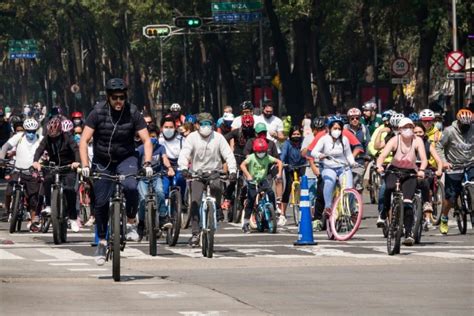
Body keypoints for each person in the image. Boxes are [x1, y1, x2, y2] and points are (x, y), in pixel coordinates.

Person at [78, 78, 153, 266]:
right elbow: (83, 141)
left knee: (130, 186)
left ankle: (130, 222)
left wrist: (148, 163)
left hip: (126, 158)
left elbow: (147, 140)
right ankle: (102, 241)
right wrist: (86, 166)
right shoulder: (97, 112)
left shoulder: (133, 112)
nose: (119, 101)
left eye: (122, 97)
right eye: (115, 98)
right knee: (101, 202)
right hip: (102, 161)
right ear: (108, 98)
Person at [178, 112, 237, 247]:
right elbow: (185, 153)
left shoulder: (219, 138)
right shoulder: (191, 138)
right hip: (197, 174)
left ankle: (215, 210)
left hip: (214, 173)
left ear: (213, 125)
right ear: (197, 125)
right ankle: (195, 233)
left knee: (217, 188)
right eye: (203, 124)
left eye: (208, 124)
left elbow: (228, 154)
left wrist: (233, 171)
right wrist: (184, 168)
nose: (206, 127)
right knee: (194, 201)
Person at [376, 118, 428, 246]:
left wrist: (421, 170)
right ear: (399, 129)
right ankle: (383, 214)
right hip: (394, 169)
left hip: (410, 171)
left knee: (407, 202)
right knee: (388, 187)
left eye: (411, 127)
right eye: (405, 127)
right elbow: (382, 156)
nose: (408, 130)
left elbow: (424, 159)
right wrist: (379, 166)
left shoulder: (417, 140)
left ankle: (409, 233)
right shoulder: (394, 140)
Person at [32, 117, 81, 232]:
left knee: (70, 190)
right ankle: (49, 206)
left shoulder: (68, 137)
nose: (53, 138)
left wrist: (76, 162)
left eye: (56, 136)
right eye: (51, 135)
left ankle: (73, 218)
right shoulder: (47, 138)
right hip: (53, 166)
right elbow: (39, 150)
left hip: (68, 166)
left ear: (60, 131)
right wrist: (35, 161)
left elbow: (76, 150)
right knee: (47, 179)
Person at [435, 109, 473, 235]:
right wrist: (444, 162)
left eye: (468, 125)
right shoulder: (449, 131)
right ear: (458, 122)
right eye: (463, 125)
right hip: (454, 166)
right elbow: (439, 147)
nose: (466, 127)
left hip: (470, 163)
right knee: (450, 198)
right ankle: (445, 218)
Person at [0, 118, 42, 231]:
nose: (31, 133)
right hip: (17, 170)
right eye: (28, 131)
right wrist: (1, 158)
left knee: (33, 198)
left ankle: (34, 221)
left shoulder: (40, 139)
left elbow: (45, 150)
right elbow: (5, 147)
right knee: (9, 190)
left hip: (32, 173)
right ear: (24, 130)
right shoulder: (19, 137)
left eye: (33, 131)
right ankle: (8, 211)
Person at [311, 117, 358, 218]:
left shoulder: (344, 139)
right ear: (329, 128)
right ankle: (328, 207)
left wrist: (352, 162)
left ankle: (350, 210)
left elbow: (348, 154)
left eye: (339, 128)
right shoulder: (323, 139)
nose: (337, 131)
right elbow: (313, 152)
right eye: (335, 128)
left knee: (349, 188)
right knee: (329, 181)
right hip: (328, 167)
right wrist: (320, 155)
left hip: (343, 167)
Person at [136, 124, 174, 240]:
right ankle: (141, 222)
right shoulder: (141, 149)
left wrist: (169, 168)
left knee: (160, 192)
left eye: (154, 136)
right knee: (143, 199)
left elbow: (165, 158)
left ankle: (163, 217)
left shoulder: (161, 147)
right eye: (150, 136)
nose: (152, 138)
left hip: (157, 176)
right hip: (143, 178)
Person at [240, 138, 283, 233]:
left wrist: (279, 173)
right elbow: (242, 165)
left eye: (263, 151)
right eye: (259, 152)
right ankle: (246, 223)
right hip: (252, 180)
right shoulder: (251, 157)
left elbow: (279, 162)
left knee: (271, 193)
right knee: (251, 200)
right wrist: (248, 175)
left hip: (262, 180)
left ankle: (274, 211)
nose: (261, 153)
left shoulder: (267, 157)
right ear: (255, 151)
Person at [413, 123, 443, 229]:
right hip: (411, 170)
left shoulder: (428, 145)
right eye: (415, 132)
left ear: (424, 133)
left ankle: (427, 216)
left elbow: (438, 160)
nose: (418, 134)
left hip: (426, 171)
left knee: (427, 184)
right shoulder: (408, 143)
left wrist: (439, 170)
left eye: (420, 132)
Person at [280, 126, 306, 222]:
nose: (296, 136)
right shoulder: (287, 143)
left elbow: (309, 151)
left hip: (302, 166)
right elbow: (283, 154)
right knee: (287, 189)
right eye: (294, 134)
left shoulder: (303, 142)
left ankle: (305, 211)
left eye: (298, 134)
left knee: (304, 188)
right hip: (289, 167)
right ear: (290, 135)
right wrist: (281, 162)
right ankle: (283, 214)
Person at [345, 107, 371, 192]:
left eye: (357, 118)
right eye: (352, 118)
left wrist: (367, 157)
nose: (355, 120)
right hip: (346, 160)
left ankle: (357, 202)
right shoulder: (345, 129)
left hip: (360, 160)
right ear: (349, 119)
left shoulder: (364, 129)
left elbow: (367, 143)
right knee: (346, 183)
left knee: (356, 183)